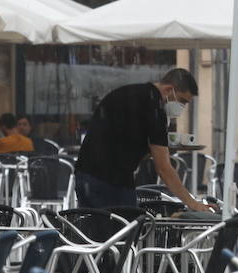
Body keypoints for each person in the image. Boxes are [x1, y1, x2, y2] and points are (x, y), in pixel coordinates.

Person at [74, 68, 213, 211]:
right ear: (169, 89)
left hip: (86, 175)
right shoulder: (155, 109)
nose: (182, 107)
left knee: (93, 230)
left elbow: (121, 140)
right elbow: (164, 168)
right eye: (182, 101)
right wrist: (192, 203)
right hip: (111, 182)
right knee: (124, 229)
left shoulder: (127, 93)